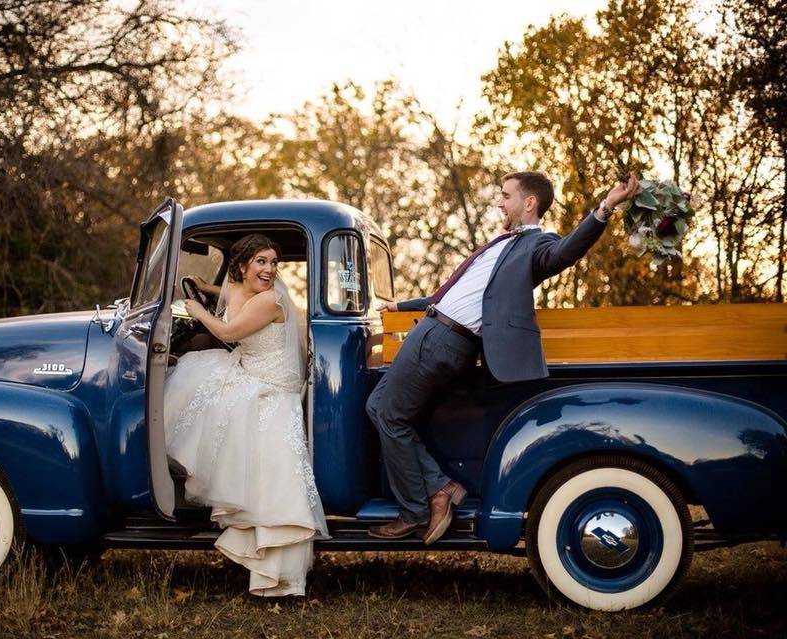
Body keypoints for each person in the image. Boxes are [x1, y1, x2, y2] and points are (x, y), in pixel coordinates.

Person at [365, 171, 641, 544]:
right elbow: (449, 296)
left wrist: (606, 207)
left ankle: (418, 509)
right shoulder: (501, 244)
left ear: (529, 202)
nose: (499, 202)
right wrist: (399, 306)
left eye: (505, 195)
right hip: (434, 328)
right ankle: (440, 487)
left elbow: (567, 252)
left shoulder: (537, 245)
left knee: (388, 413)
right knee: (379, 406)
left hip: (442, 338)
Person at [164, 233, 328, 597]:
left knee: (193, 381)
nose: (270, 270)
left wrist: (197, 310)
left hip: (270, 386)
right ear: (243, 266)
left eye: (273, 263)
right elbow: (228, 291)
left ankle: (275, 572)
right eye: (262, 262)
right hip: (255, 372)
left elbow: (226, 330)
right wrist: (201, 285)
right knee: (199, 376)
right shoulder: (248, 291)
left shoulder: (269, 300)